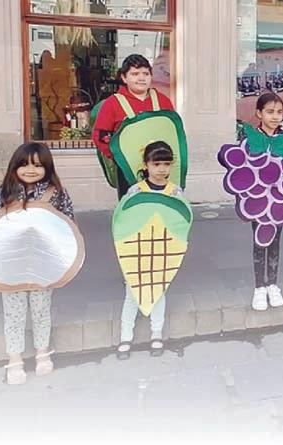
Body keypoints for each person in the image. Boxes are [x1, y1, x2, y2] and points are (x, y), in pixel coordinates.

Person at [0, 142, 75, 385]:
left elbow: (67, 227)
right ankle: (14, 359)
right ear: (15, 166)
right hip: (11, 266)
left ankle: (43, 352)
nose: (30, 170)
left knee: (41, 309)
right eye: (24, 164)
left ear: (47, 168)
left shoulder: (57, 194)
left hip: (44, 265)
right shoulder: (2, 194)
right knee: (14, 313)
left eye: (38, 165)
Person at [116, 141, 183, 359]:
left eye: (166, 164)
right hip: (138, 250)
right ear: (146, 165)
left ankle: (156, 333)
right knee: (131, 293)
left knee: (158, 291)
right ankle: (125, 336)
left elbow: (181, 222)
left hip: (163, 250)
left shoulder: (175, 192)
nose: (162, 169)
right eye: (156, 164)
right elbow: (123, 220)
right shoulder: (135, 191)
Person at [92, 54, 175, 199]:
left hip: (160, 168)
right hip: (127, 170)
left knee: (161, 206)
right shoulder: (112, 103)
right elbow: (100, 136)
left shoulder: (163, 101)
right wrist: (118, 157)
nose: (141, 78)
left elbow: (172, 131)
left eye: (145, 74)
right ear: (124, 78)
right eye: (135, 74)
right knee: (132, 206)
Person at [250, 92, 283, 311]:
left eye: (279, 112)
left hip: (280, 200)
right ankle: (259, 288)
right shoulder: (250, 140)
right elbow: (242, 173)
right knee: (260, 241)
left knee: (275, 241)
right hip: (258, 201)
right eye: (270, 112)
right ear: (259, 113)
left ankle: (272, 284)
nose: (275, 116)